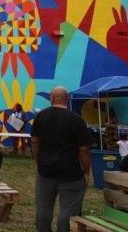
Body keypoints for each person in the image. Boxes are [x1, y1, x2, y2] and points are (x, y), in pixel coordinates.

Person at [31, 86, 92, 232]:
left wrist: (38, 162)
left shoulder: (41, 116)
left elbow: (34, 141)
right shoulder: (76, 119)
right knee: (69, 208)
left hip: (46, 171)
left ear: (51, 98)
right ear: (67, 99)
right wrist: (86, 172)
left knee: (43, 207)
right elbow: (84, 149)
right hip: (70, 172)